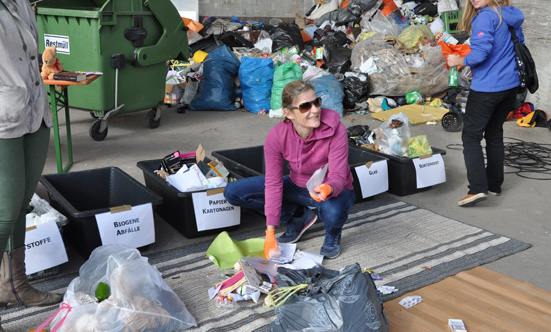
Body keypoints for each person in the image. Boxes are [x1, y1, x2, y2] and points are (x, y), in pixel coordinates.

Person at [224, 80, 355, 259]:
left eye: (316, 102)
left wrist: (329, 188)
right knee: (233, 192)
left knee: (333, 211)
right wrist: (270, 231)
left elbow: (339, 175)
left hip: (330, 189)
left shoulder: (336, 128)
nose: (315, 109)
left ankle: (332, 235)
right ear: (288, 113)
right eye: (305, 106)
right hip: (297, 186)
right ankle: (297, 216)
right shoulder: (276, 136)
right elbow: (273, 182)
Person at [0, 0, 64, 329]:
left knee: (20, 206)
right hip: (2, 116)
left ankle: (15, 286)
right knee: (4, 211)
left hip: (33, 112)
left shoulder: (24, 2)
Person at [447, 0, 523, 207]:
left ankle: (477, 189)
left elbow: (481, 54)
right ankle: (494, 185)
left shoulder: (485, 17)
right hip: (510, 85)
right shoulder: (510, 14)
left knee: (470, 137)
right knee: (494, 132)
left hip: (488, 88)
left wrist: (458, 61)